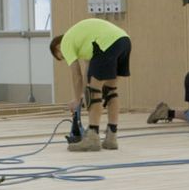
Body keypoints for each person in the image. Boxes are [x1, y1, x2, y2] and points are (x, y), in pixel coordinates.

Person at [50, 18, 131, 152]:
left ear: (57, 47)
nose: (65, 58)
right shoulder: (82, 41)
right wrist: (82, 96)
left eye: (62, 57)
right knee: (111, 91)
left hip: (106, 44)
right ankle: (111, 137)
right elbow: (88, 72)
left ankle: (92, 137)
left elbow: (77, 75)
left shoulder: (65, 43)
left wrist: (77, 101)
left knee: (94, 93)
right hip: (124, 40)